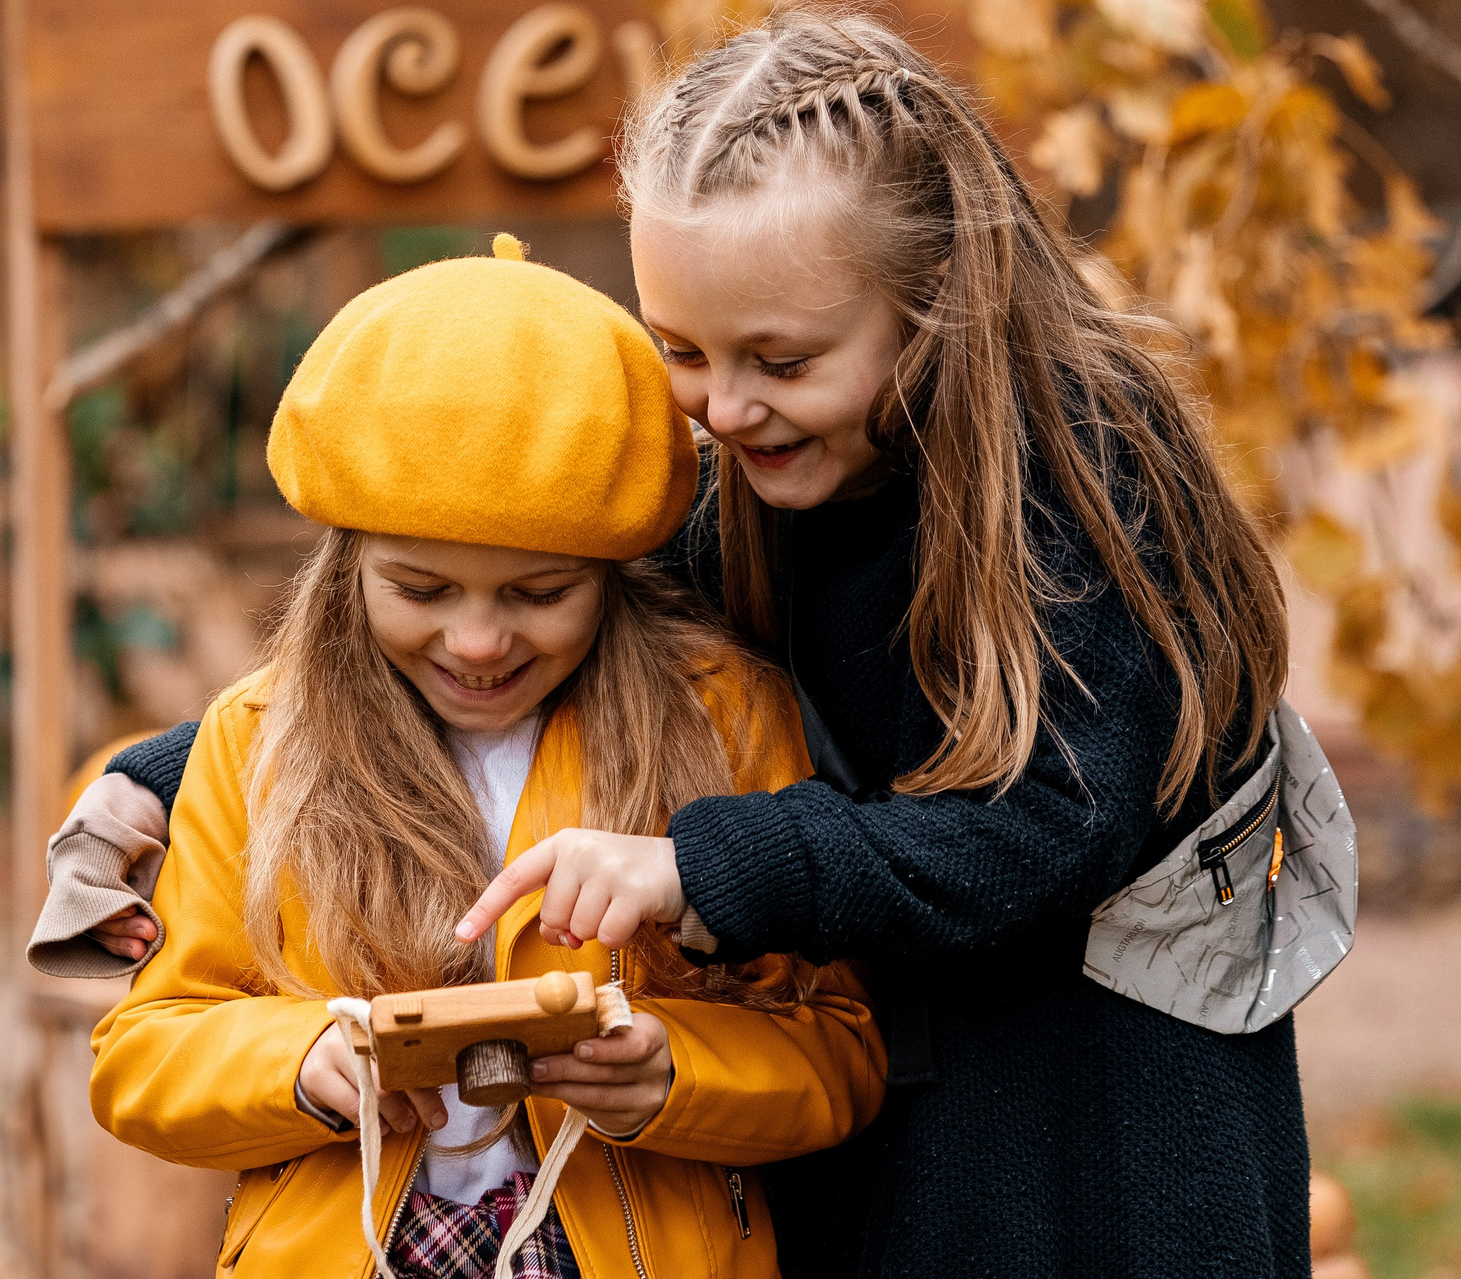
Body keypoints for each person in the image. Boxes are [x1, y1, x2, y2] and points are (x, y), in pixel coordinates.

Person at [48, 10, 1315, 1278]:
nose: (724, 404)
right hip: (899, 1064)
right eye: (683, 352)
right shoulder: (760, 474)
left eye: (779, 357)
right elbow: (509, 595)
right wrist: (172, 768)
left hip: (1098, 1098)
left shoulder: (1092, 485)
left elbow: (1044, 833)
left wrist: (703, 868)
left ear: (935, 304)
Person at [85, 241, 884, 1279]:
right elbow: (145, 1053)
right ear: (345, 571)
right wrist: (300, 1064)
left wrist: (674, 1074)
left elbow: (838, 1043)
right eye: (420, 591)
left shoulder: (722, 719)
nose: (476, 642)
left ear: (610, 572)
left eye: (538, 595)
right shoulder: (255, 741)